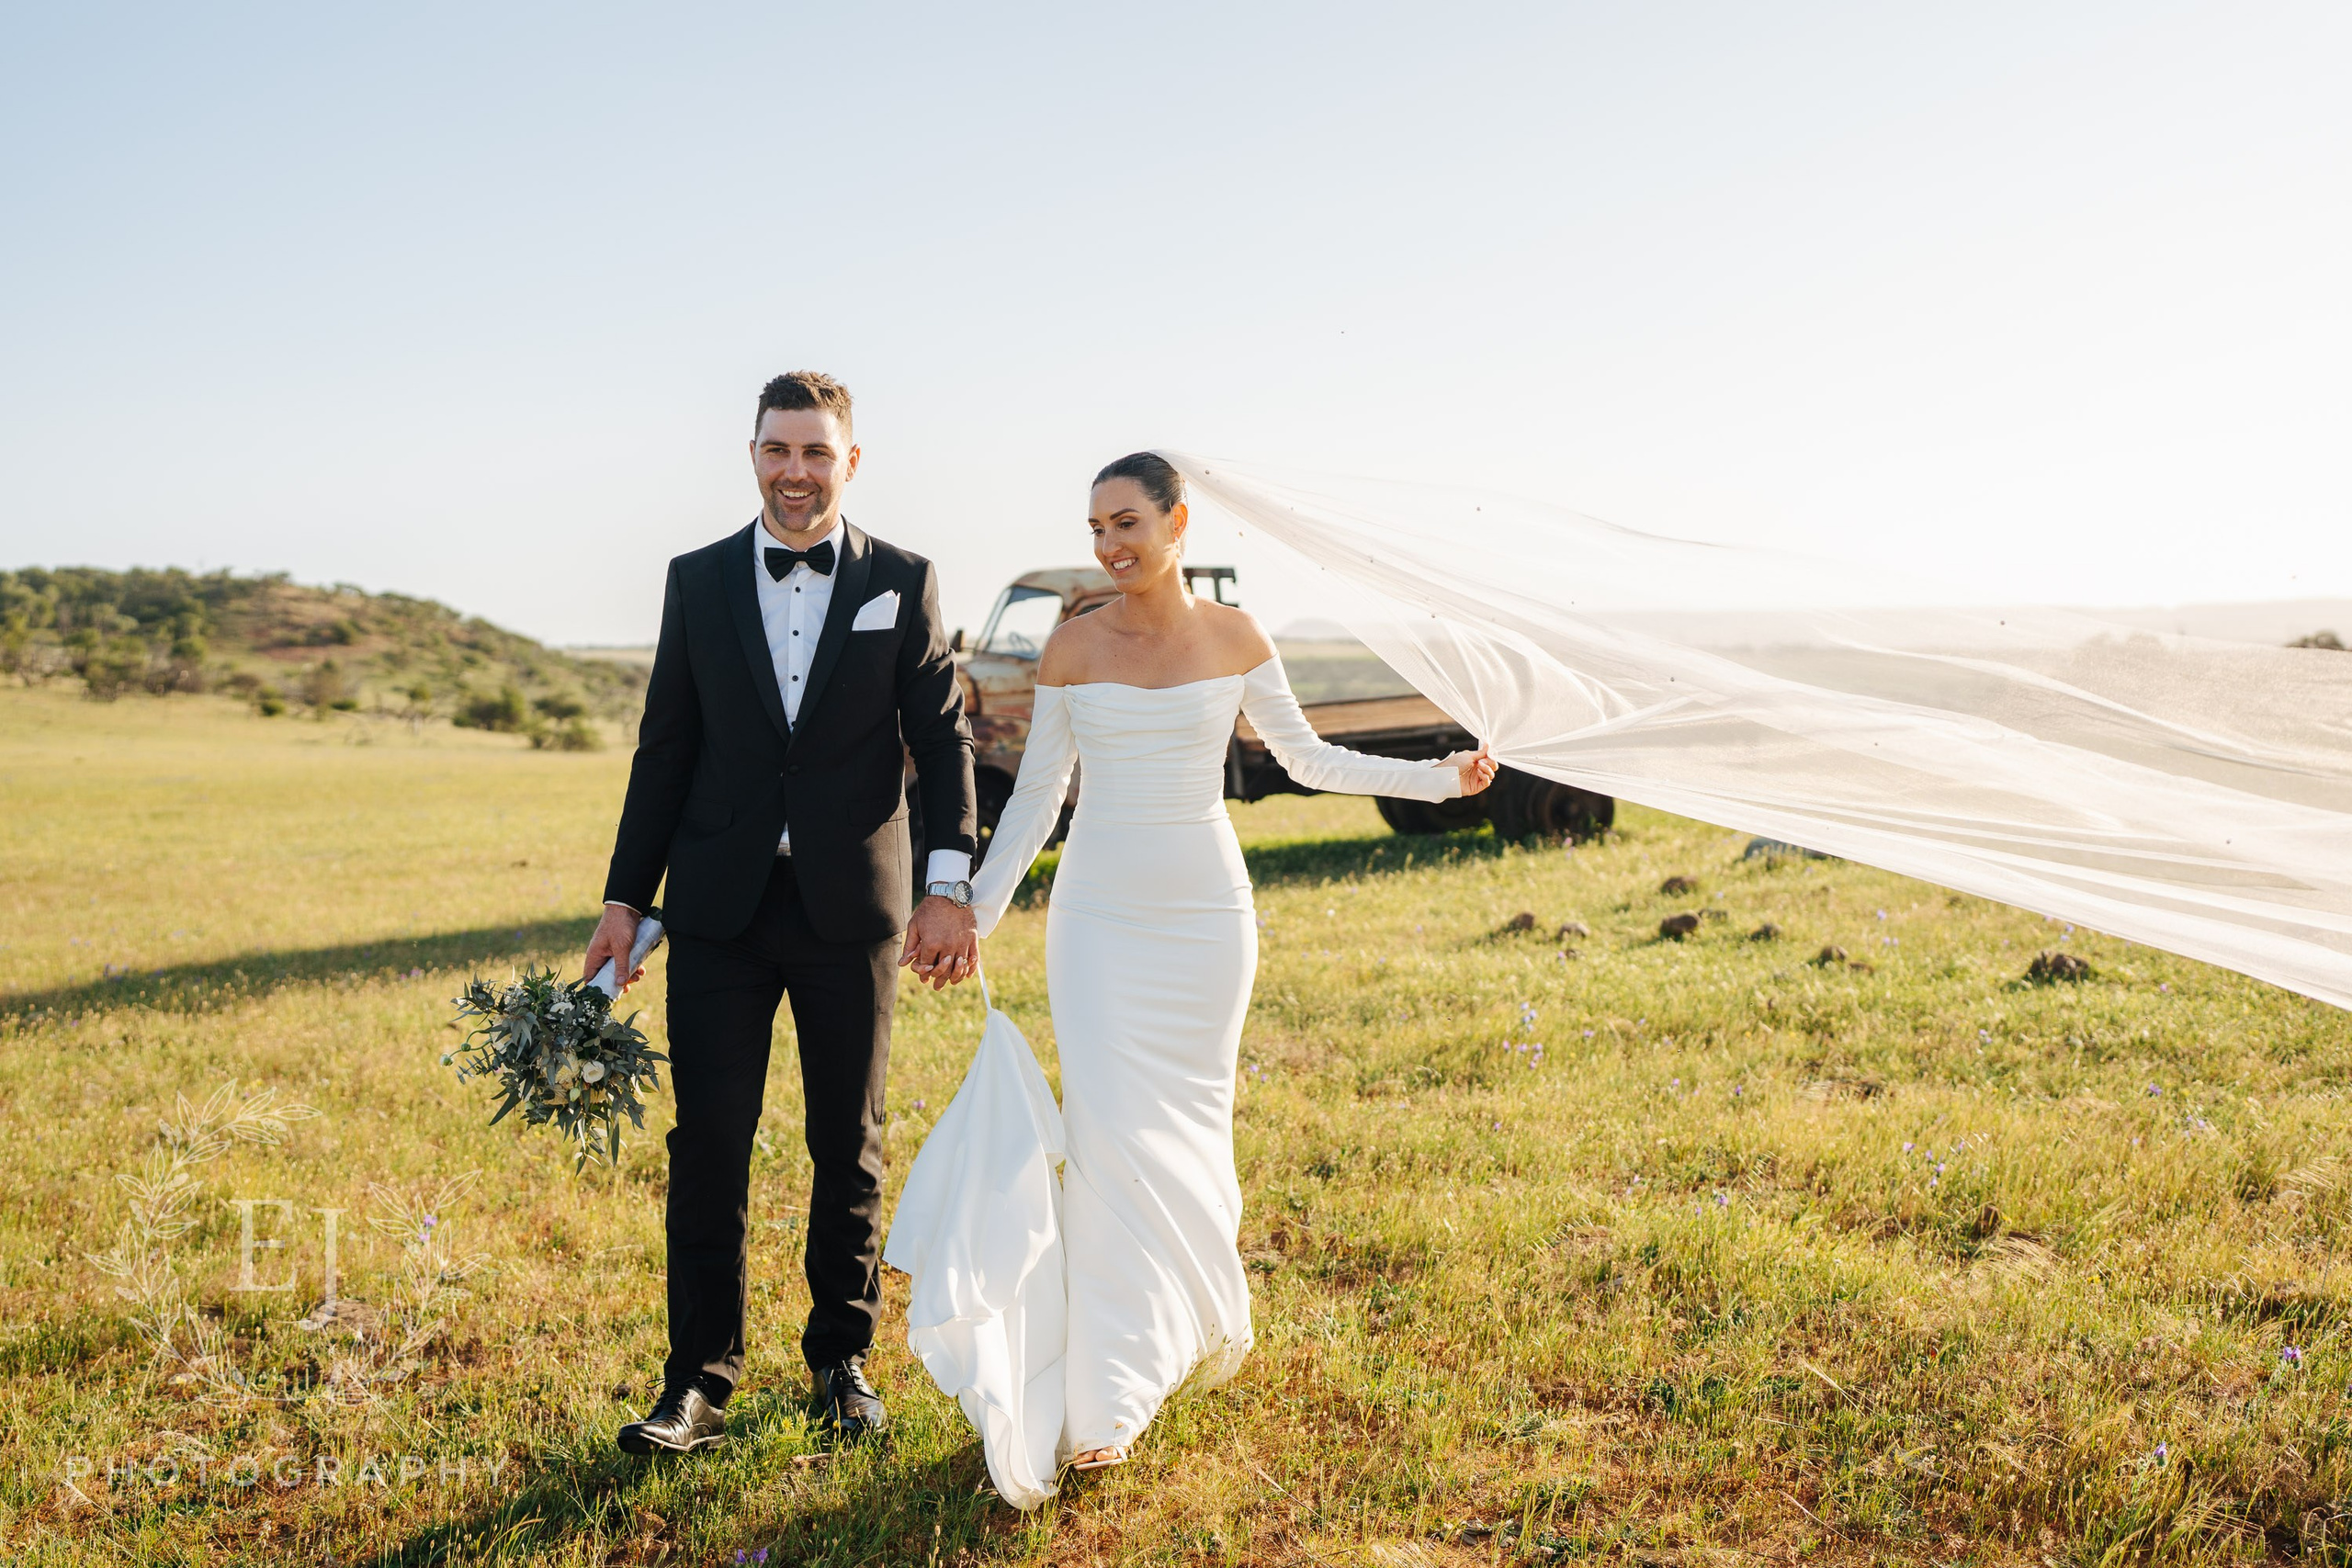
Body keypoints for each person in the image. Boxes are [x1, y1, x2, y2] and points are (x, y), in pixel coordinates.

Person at [922, 452, 1496, 1483]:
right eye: (1096, 528)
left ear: (1177, 522)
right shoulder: (1070, 646)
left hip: (1204, 920)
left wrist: (1440, 780)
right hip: (1096, 919)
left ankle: (1170, 1329)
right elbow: (1039, 798)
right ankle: (1112, 1390)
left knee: (1189, 1127)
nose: (1109, 545)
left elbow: (1307, 758)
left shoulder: (1236, 636)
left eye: (1127, 523)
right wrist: (978, 915)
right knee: (1105, 1133)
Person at [586, 370, 981, 1455]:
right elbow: (666, 746)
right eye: (777, 450)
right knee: (709, 1143)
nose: (795, 472)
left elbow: (941, 737)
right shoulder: (698, 578)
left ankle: (840, 1362)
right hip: (719, 908)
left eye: (815, 452)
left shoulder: (903, 578)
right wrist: (626, 900)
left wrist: (948, 886)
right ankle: (695, 1384)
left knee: (846, 1142)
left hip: (853, 907)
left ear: (850, 461)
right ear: (752, 455)